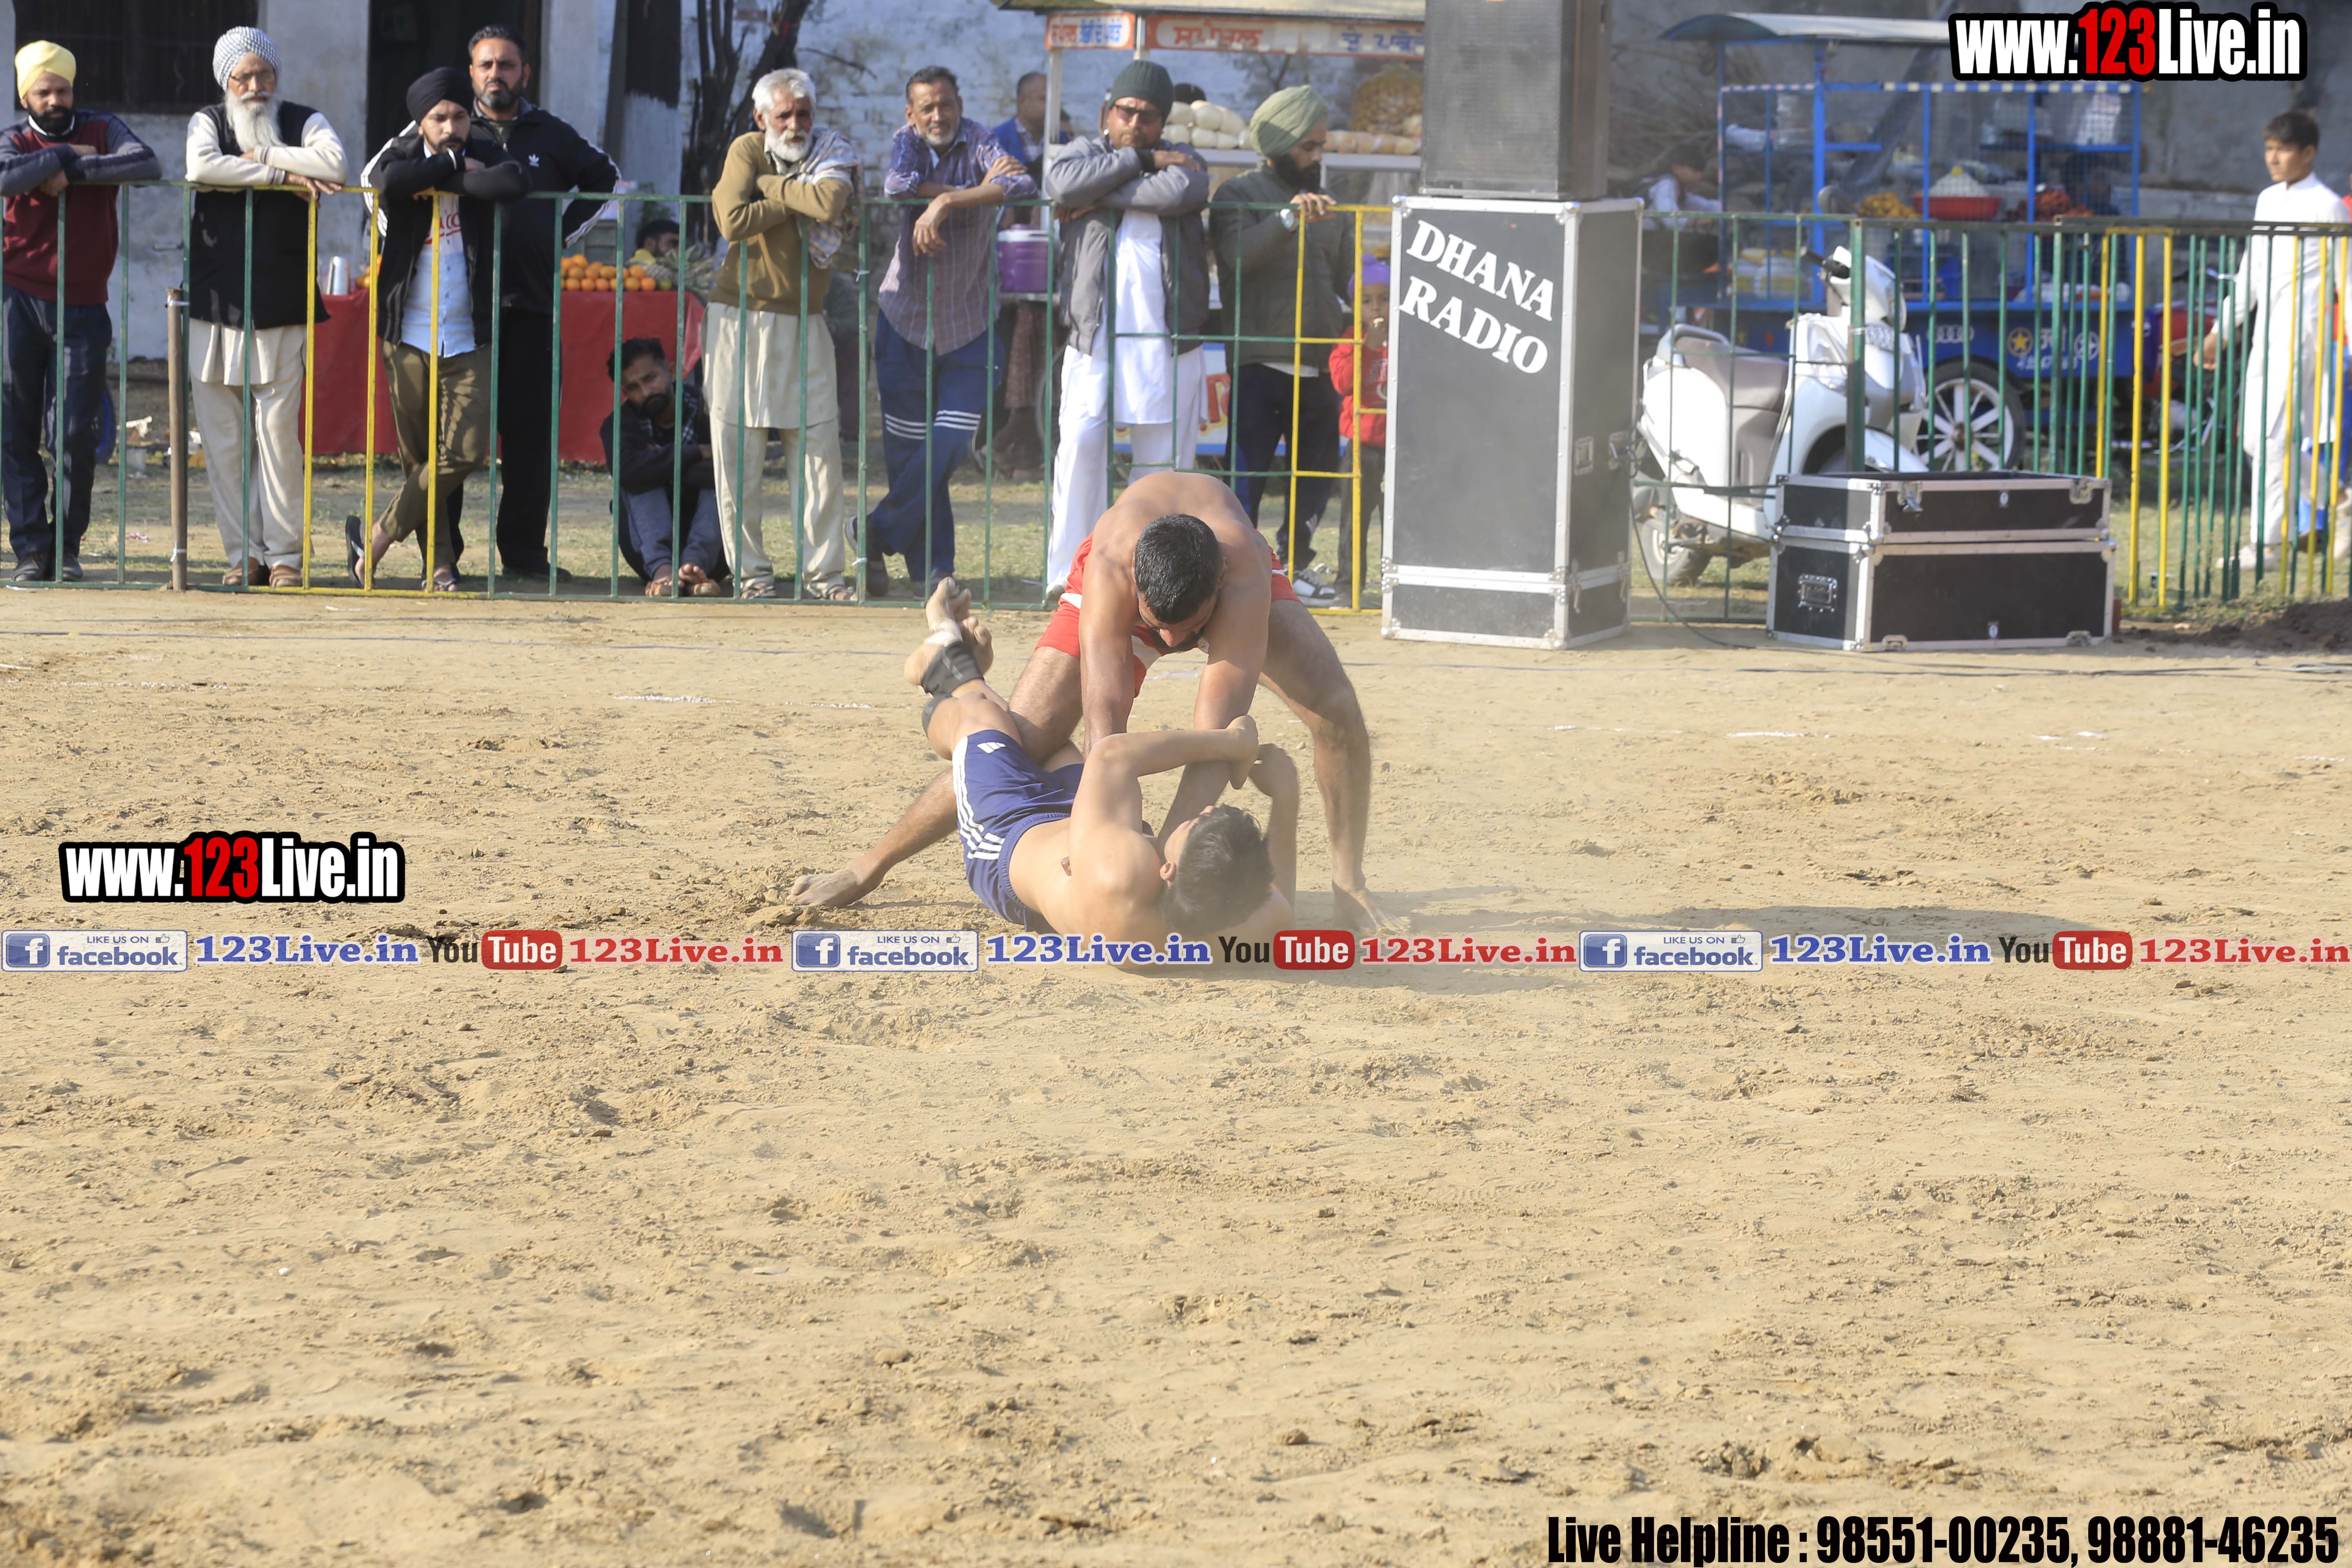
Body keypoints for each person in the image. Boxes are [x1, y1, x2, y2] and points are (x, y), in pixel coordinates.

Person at [793, 470, 1388, 930]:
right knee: (1025, 742)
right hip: (1127, 578)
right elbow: (1107, 725)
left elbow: (1217, 741)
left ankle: (1350, 882)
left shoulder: (1241, 573)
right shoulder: (1112, 565)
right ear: (1137, 592)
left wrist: (1172, 877)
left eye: (1188, 631)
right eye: (1159, 628)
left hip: (1224, 574)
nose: (1173, 644)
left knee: (1336, 712)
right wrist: (1098, 834)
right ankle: (872, 859)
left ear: (1217, 591)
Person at [903, 577, 1296, 950]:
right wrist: (1285, 801)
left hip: (1007, 837)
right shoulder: (1229, 921)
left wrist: (1231, 743)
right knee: (1052, 745)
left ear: (1167, 872)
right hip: (1083, 827)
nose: (1206, 810)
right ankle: (959, 666)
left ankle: (943, 660)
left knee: (979, 715)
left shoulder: (1120, 877)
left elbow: (1111, 756)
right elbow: (1280, 909)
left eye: (1196, 824)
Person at [450, 24, 621, 584]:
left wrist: (558, 235)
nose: (496, 75)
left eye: (506, 65)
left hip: (532, 307)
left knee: (529, 442)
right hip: (459, 312)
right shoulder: (448, 122)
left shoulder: (551, 133)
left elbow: (606, 179)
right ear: (472, 72)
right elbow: (381, 176)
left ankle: (523, 554)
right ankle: (443, 555)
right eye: (486, 65)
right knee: (453, 439)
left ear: (524, 73)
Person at [349, 68, 529, 591]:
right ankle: (440, 565)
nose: (452, 127)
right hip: (406, 329)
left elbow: (512, 182)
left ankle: (377, 538)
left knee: (466, 451)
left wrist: (438, 178)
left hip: (468, 331)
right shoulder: (402, 154)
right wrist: (452, 167)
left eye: (459, 117)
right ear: (421, 122)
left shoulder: (487, 149)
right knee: (419, 459)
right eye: (440, 119)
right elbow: (385, 183)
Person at [184, 27, 345, 588]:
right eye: (244, 77)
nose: (255, 86)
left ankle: (285, 558)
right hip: (214, 301)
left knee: (278, 437)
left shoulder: (303, 119)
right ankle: (244, 556)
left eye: (265, 74)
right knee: (224, 441)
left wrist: (262, 154)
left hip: (281, 299)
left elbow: (335, 165)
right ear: (226, 80)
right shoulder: (209, 121)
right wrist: (280, 176)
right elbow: (201, 168)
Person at [1042, 60, 1211, 591]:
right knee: (1081, 450)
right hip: (1093, 338)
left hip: (1169, 342)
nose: (1136, 123)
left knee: (1163, 470)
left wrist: (1093, 195)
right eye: (1127, 112)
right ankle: (1071, 577)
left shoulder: (1185, 160)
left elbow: (1179, 192)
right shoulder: (1082, 153)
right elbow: (1061, 182)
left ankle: (1150, 581)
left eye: (1149, 117)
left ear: (1164, 123)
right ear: (1107, 113)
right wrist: (1140, 162)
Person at [870, 65, 1036, 599]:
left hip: (969, 322)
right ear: (912, 114)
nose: (938, 115)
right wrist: (975, 192)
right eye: (928, 108)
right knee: (911, 456)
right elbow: (897, 185)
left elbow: (1021, 184)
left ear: (960, 106)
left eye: (946, 105)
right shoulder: (906, 143)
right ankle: (933, 571)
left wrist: (944, 202)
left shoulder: (981, 140)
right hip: (905, 320)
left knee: (952, 443)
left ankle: (874, 532)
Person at [0, 43, 159, 583]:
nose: (55, 101)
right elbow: (6, 176)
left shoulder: (102, 127)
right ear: (26, 97)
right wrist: (65, 155)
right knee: (16, 428)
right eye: (43, 92)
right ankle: (30, 550)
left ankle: (67, 547)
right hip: (19, 300)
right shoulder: (15, 139)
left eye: (63, 90)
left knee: (73, 433)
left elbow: (146, 162)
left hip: (85, 302)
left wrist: (75, 169)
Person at [708, 67, 858, 601]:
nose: (795, 125)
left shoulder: (832, 150)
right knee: (739, 453)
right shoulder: (748, 148)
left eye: (804, 114)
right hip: (739, 317)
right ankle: (752, 576)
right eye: (784, 115)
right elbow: (731, 220)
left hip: (806, 318)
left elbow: (829, 204)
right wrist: (797, 196)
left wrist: (770, 189)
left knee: (819, 450)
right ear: (761, 118)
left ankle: (825, 577)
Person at [1209, 84, 1354, 602]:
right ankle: (1239, 577)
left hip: (1320, 362)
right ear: (1280, 144)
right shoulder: (1236, 195)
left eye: (1322, 146)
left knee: (1315, 474)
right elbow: (1237, 258)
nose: (1318, 157)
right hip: (1260, 362)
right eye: (1308, 147)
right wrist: (1288, 219)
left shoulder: (1331, 206)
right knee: (1246, 477)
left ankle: (1297, 567)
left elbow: (1348, 280)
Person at [2201, 111, 2351, 568]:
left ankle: (2268, 546)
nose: (2274, 158)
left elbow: (2347, 280)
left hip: (2303, 337)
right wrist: (2221, 330)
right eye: (2269, 149)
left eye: (2283, 150)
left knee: (2272, 438)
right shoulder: (2267, 200)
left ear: (2309, 153)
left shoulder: (2328, 206)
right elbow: (2250, 271)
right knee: (2255, 441)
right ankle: (2342, 502)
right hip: (2265, 335)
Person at [599, 337, 726, 598]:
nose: (646, 392)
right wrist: (695, 453)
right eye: (634, 387)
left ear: (670, 372)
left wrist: (659, 463)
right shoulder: (619, 425)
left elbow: (729, 468)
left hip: (713, 549)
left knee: (722, 482)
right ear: (624, 392)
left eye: (650, 379)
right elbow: (627, 473)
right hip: (648, 552)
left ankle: (695, 567)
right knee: (636, 481)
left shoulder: (710, 411)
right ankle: (663, 571)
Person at [987, 71, 1065, 481]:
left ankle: (1023, 454)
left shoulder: (1064, 144)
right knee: (1012, 366)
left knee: (1044, 369)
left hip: (1051, 279)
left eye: (1051, 99)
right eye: (1039, 99)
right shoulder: (997, 142)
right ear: (1020, 102)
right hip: (1013, 275)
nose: (1047, 106)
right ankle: (1002, 445)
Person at [1324, 257, 1389, 606]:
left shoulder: (1408, 337)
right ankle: (1348, 589)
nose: (1376, 307)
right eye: (1367, 300)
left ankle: (1401, 588)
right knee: (1354, 523)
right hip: (1362, 446)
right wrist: (1368, 349)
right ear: (1355, 305)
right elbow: (1343, 383)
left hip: (1399, 446)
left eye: (1384, 298)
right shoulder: (1350, 339)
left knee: (1398, 522)